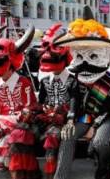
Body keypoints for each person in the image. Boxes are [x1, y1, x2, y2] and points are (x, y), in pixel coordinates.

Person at [53, 7, 110, 179]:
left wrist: (95, 126)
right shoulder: (76, 79)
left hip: (105, 117)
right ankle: (60, 176)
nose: (83, 64)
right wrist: (70, 119)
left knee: (100, 142)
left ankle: (103, 171)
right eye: (79, 56)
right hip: (84, 117)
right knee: (67, 136)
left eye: (91, 56)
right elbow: (74, 100)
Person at [0, 25, 40, 179]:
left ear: (11, 62)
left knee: (14, 138)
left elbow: (30, 108)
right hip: (1, 121)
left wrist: (6, 127)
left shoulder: (23, 82)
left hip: (24, 122)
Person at [36, 23, 79, 179]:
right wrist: (40, 110)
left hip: (61, 119)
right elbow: (41, 101)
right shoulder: (45, 81)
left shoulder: (72, 81)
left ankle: (53, 172)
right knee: (21, 131)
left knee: (53, 135)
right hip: (45, 118)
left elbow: (74, 102)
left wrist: (69, 119)